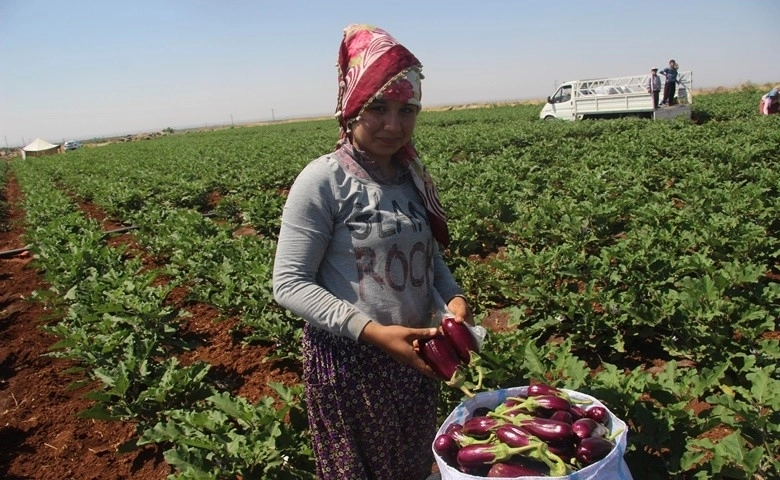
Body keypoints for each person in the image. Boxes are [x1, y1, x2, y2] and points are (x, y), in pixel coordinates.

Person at [272, 24, 472, 480]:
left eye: (408, 110)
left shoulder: (411, 177)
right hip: (352, 366)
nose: (393, 125)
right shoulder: (323, 181)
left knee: (413, 465)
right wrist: (374, 333)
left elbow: (430, 259)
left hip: (420, 356)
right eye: (378, 108)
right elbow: (289, 284)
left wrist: (454, 299)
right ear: (351, 107)